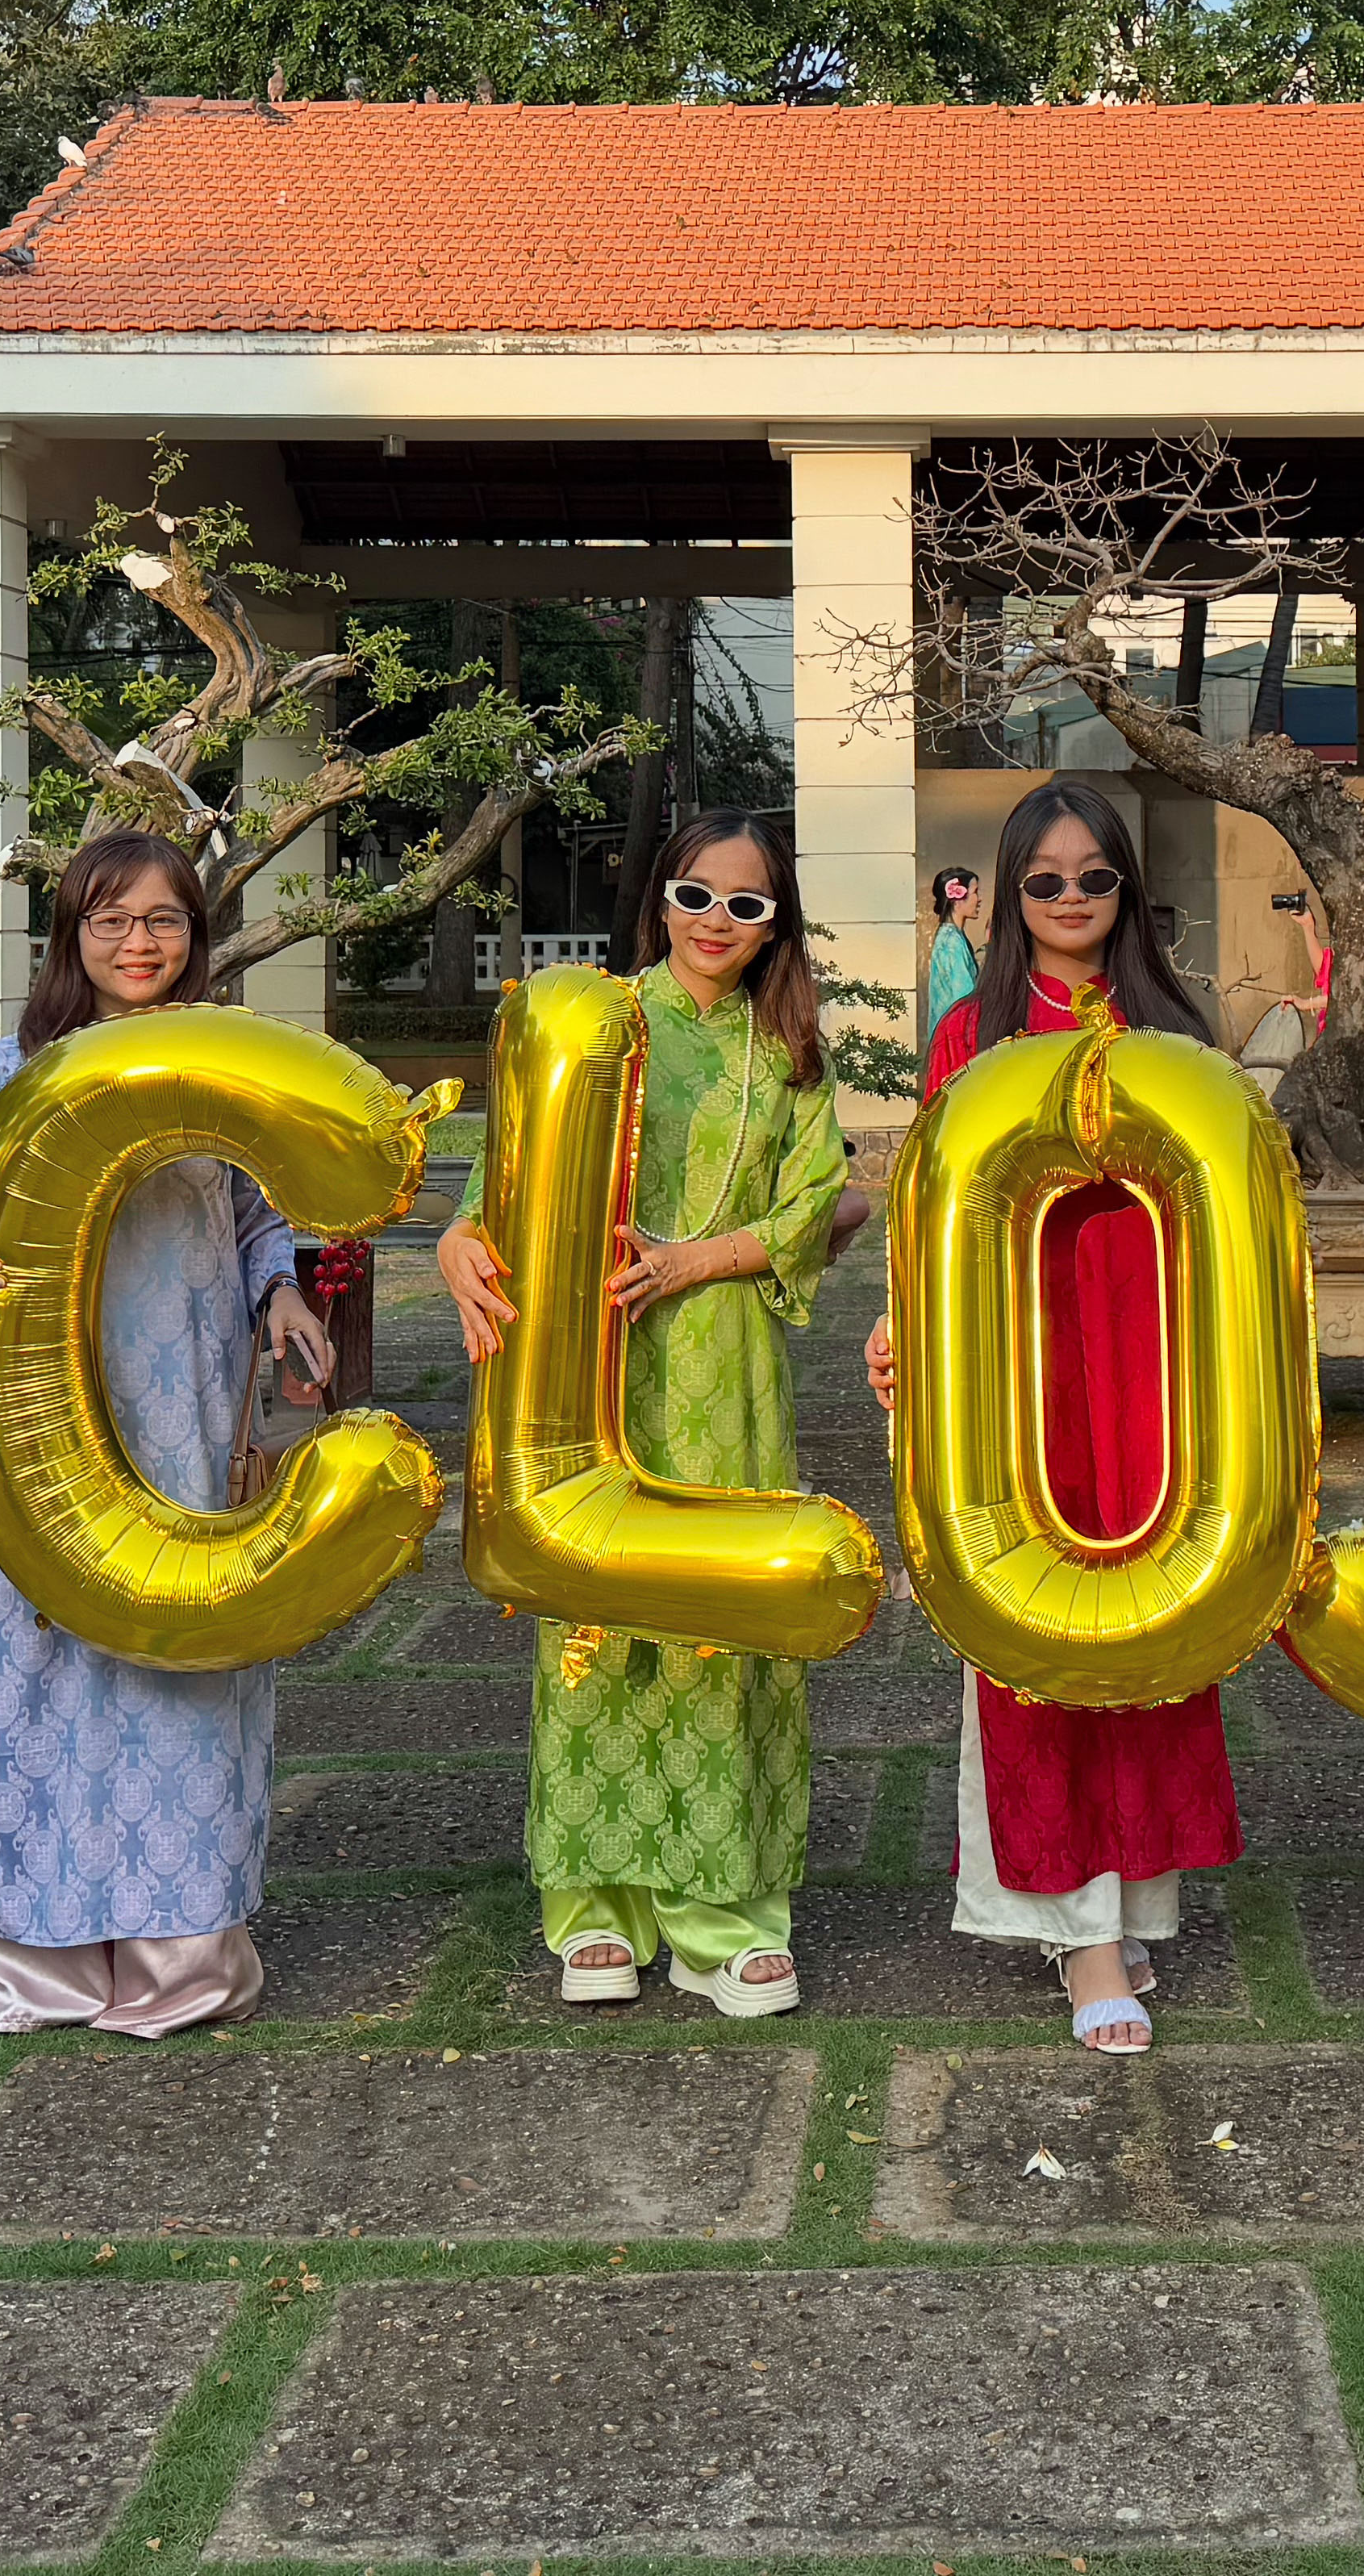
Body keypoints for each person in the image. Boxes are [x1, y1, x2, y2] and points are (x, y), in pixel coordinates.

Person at [0, 831, 336, 2038]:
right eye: (112, 920)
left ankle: (188, 1963)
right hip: (44, 1441)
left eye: (165, 920)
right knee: (48, 1677)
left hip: (186, 1416)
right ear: (72, 935)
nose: (140, 943)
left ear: (197, 935)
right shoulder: (6, 1076)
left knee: (192, 1663)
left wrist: (281, 1290)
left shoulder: (221, 1075)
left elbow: (255, 1218)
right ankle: (46, 1969)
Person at [436, 810, 848, 2016]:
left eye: (748, 905)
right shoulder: (594, 1024)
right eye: (696, 895)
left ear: (778, 924)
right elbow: (496, 1181)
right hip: (586, 1363)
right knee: (596, 1608)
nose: (717, 922)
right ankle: (595, 1903)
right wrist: (459, 1246)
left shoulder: (791, 1053)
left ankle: (725, 1911)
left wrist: (693, 1261)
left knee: (720, 1608)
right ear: (658, 897)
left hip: (722, 1362)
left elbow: (817, 1200)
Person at [864, 777, 1241, 2053]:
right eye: (1047, 881)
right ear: (1009, 896)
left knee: (1159, 1620)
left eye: (1095, 877)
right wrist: (900, 1321)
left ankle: (1134, 1893)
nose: (1073, 899)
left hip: (1159, 1355)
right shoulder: (972, 1035)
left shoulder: (1177, 1027)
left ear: (1126, 890)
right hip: (1022, 1365)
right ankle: (1079, 1933)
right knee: (1036, 1625)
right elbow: (930, 1199)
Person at [916, 865, 983, 1065]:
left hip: (950, 1038)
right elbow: (963, 998)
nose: (979, 899)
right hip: (955, 1042)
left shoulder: (952, 937)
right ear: (958, 899)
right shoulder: (951, 942)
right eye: (975, 892)